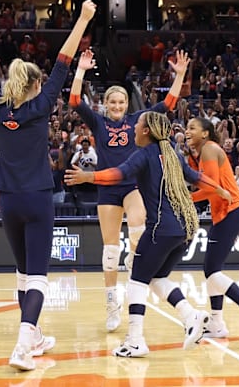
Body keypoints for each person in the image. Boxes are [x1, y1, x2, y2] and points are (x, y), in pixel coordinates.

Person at [0, 1, 96, 370]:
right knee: (38, 275)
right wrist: (83, 19)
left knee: (22, 273)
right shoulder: (42, 104)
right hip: (36, 197)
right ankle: (22, 345)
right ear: (36, 85)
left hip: (7, 199)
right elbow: (64, 61)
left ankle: (33, 336)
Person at [65, 111, 231, 357]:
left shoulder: (143, 155)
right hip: (184, 230)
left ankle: (135, 340)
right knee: (157, 278)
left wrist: (88, 176)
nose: (132, 129)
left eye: (137, 126)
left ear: (146, 131)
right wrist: (220, 189)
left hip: (159, 229)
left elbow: (118, 174)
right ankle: (191, 315)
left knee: (136, 281)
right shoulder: (173, 153)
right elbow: (196, 177)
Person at [69, 48, 189, 332]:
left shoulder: (139, 119)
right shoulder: (98, 121)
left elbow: (169, 104)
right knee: (109, 251)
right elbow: (74, 100)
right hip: (107, 190)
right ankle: (112, 306)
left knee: (139, 230)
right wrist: (81, 70)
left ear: (127, 103)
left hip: (132, 186)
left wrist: (180, 74)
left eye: (121, 101)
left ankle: (135, 264)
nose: (117, 105)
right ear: (105, 103)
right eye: (112, 101)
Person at [185, 117, 239, 343]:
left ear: (205, 133)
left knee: (212, 271)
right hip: (224, 215)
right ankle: (216, 324)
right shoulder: (203, 153)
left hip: (231, 211)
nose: (187, 131)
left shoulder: (209, 149)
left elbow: (212, 188)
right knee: (210, 270)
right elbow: (206, 184)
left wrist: (186, 198)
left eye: (192, 128)